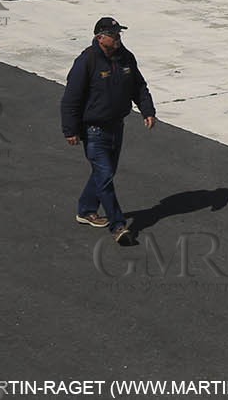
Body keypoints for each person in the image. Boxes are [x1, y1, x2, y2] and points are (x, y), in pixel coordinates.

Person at [60, 16, 157, 246]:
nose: (118, 39)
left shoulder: (126, 57)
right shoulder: (87, 61)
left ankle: (85, 210)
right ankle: (118, 226)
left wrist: (147, 111)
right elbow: (70, 99)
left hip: (117, 126)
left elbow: (138, 86)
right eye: (113, 35)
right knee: (104, 177)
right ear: (100, 37)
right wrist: (70, 130)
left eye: (119, 34)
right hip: (94, 130)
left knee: (105, 173)